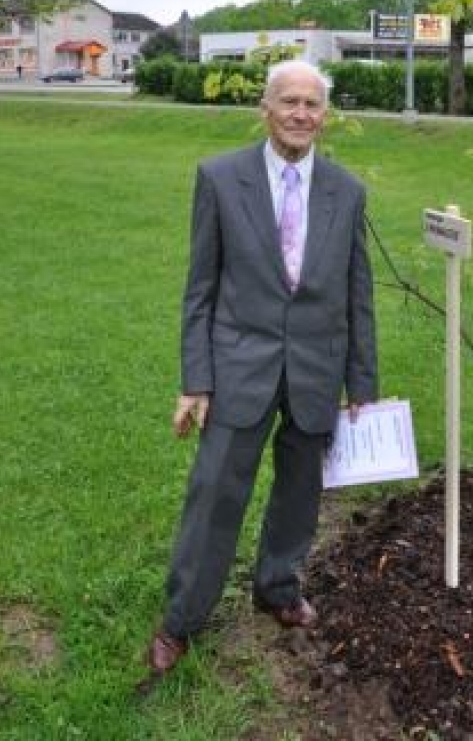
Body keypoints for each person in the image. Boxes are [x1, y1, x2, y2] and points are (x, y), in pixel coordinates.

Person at [144, 59, 378, 681]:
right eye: (290, 102)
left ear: (325, 115)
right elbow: (200, 290)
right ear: (266, 109)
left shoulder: (347, 191)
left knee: (300, 494)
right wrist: (196, 380)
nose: (302, 114)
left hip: (315, 371)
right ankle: (182, 618)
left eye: (313, 104)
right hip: (238, 368)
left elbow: (359, 294)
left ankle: (278, 586)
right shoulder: (221, 179)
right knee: (216, 494)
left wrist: (362, 382)